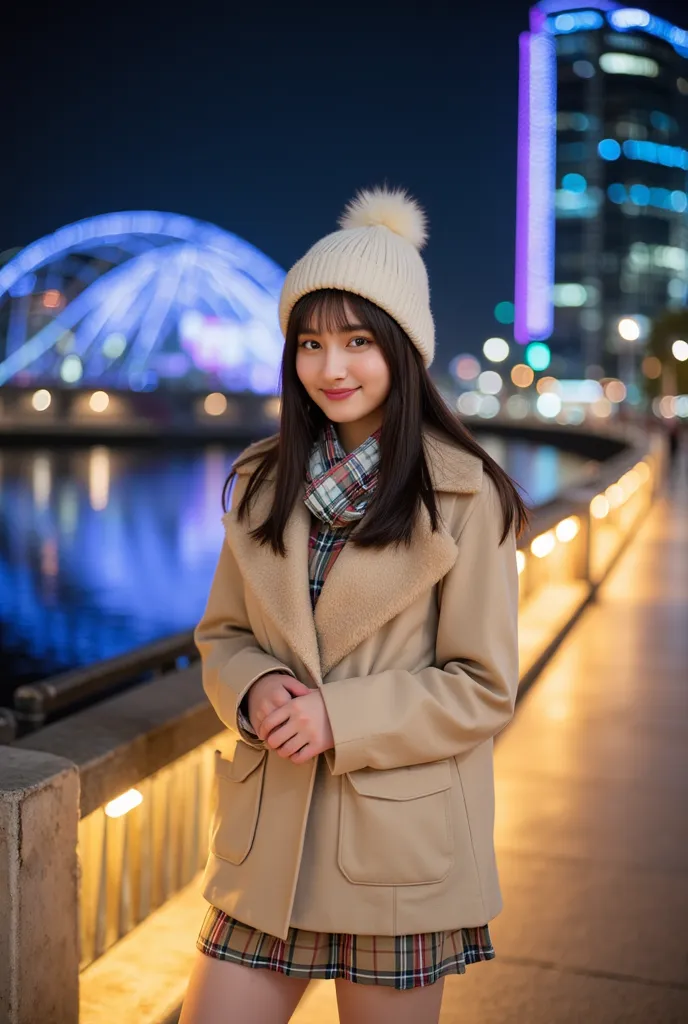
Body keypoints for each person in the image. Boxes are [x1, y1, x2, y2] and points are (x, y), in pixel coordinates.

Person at [179, 186, 528, 1024]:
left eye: (358, 341)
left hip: (396, 855)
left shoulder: (464, 495)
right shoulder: (266, 482)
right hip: (270, 844)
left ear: (403, 349)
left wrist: (343, 716)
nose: (330, 368)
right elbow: (223, 634)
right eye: (310, 343)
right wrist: (254, 687)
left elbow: (482, 686)